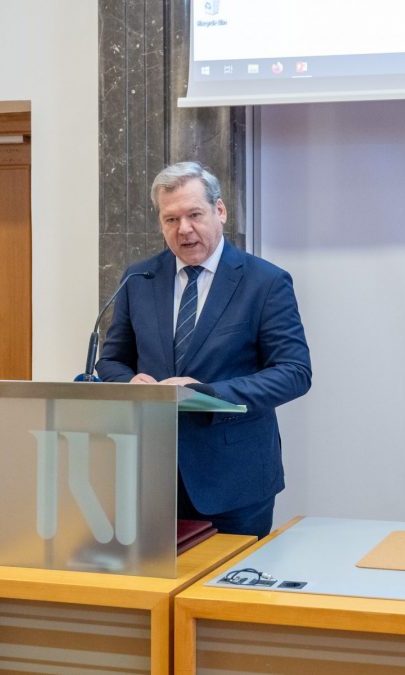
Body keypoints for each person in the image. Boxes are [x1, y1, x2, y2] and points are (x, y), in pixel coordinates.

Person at [96, 161, 311, 537]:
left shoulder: (265, 282)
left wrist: (206, 394)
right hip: (151, 477)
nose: (184, 229)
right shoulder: (139, 278)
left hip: (234, 481)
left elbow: (294, 372)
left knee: (232, 577)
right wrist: (130, 383)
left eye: (194, 215)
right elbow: (112, 360)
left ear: (220, 211)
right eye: (171, 219)